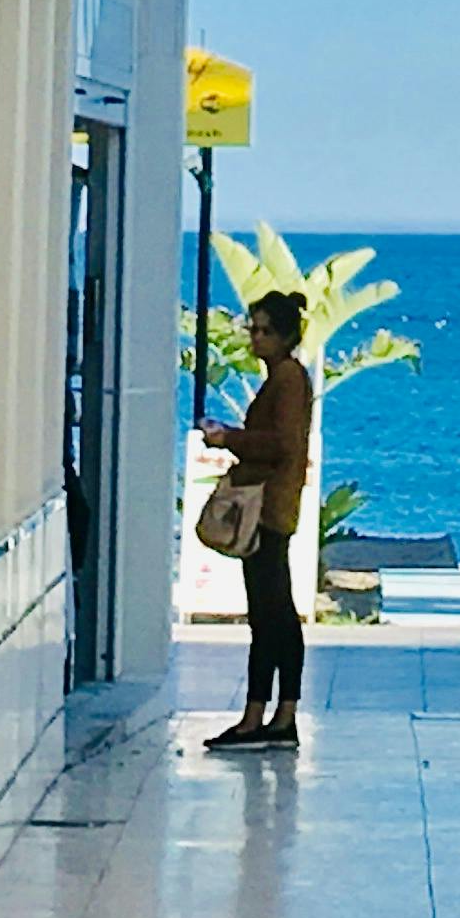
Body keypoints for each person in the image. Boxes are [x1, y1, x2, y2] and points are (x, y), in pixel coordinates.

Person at [200, 287, 314, 750]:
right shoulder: (283, 379)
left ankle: (265, 715)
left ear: (285, 336)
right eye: (254, 328)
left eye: (265, 330)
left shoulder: (287, 380)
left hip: (268, 508)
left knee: (271, 614)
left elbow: (280, 444)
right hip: (272, 507)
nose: (255, 338)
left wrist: (230, 439)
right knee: (271, 613)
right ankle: (269, 713)